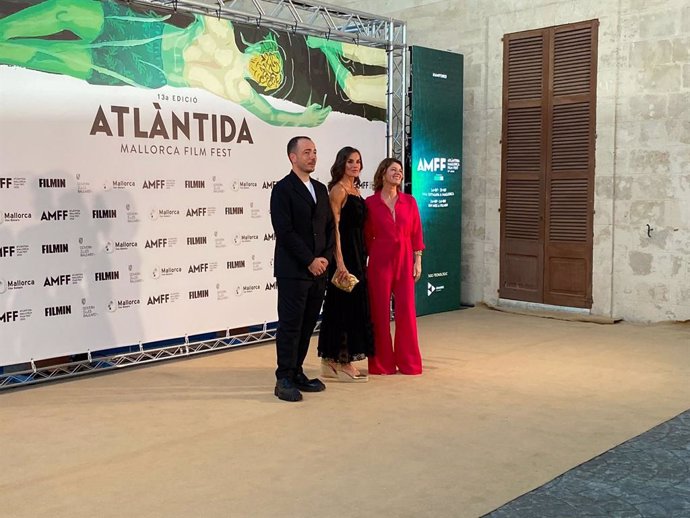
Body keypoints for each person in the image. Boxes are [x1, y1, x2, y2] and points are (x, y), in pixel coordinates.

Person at [0, 0, 386, 125]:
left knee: (52, 56)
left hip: (141, 69)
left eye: (267, 74)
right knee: (66, 13)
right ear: (264, 46)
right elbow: (272, 114)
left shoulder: (236, 85)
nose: (262, 66)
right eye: (269, 60)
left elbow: (270, 115)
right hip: (140, 30)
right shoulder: (220, 28)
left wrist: (298, 120)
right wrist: (322, 44)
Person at [270, 136, 334, 401]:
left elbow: (329, 228)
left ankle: (296, 371)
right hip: (294, 270)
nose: (313, 156)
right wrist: (310, 260)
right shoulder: (282, 189)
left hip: (319, 271)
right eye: (307, 152)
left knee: (308, 324)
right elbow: (284, 231)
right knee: (291, 325)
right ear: (292, 157)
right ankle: (283, 377)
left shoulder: (320, 189)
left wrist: (326, 259)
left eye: (315, 152)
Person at [317, 147, 374, 382]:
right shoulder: (338, 190)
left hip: (358, 255)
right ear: (341, 163)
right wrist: (339, 262)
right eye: (350, 161)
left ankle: (331, 360)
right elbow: (335, 229)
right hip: (344, 257)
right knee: (342, 308)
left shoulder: (357, 190)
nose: (355, 165)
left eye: (358, 161)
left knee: (352, 308)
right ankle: (341, 360)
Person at [365, 158, 425, 375]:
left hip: (405, 259)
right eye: (393, 170)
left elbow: (417, 232)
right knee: (379, 313)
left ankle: (409, 363)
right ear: (383, 174)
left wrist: (417, 260)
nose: (398, 173)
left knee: (407, 312)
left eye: (400, 170)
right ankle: (382, 364)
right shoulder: (370, 203)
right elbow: (366, 236)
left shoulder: (410, 201)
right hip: (380, 262)